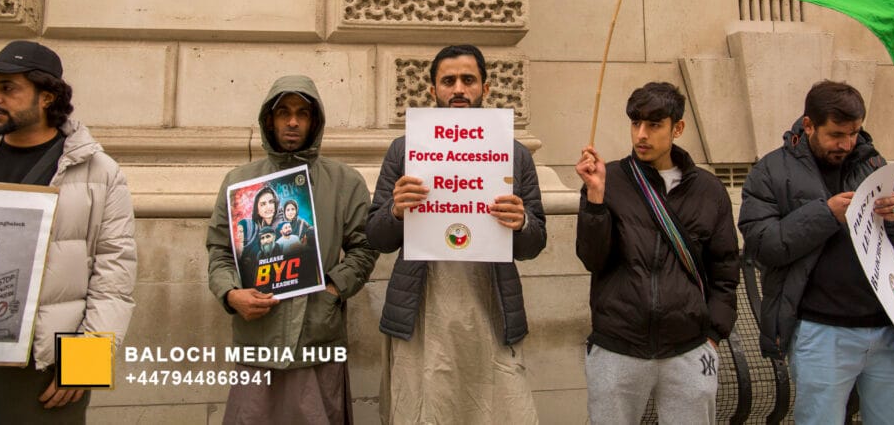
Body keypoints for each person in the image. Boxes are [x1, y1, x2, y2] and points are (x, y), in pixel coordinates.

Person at [366, 44, 547, 424]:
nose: (459, 89)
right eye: (448, 81)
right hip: (423, 307)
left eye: (469, 79)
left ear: (486, 87)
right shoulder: (404, 150)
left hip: (491, 305)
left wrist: (523, 222)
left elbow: (535, 243)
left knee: (499, 408)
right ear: (432, 90)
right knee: (427, 406)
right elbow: (377, 237)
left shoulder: (515, 155)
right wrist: (396, 209)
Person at [737, 80, 894, 425]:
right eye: (836, 134)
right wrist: (827, 214)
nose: (847, 143)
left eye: (854, 133)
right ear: (808, 125)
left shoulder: (872, 162)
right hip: (821, 333)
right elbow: (764, 244)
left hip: (887, 329)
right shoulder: (771, 171)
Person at [0, 40, 137, 421]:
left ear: (47, 96)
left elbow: (114, 275)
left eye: (8, 88)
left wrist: (84, 368)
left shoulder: (100, 171)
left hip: (44, 372)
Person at [206, 75, 378, 424]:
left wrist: (332, 288)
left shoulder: (345, 182)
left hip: (317, 339)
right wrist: (230, 294)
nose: (293, 121)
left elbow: (364, 249)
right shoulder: (240, 182)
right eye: (283, 112)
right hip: (258, 339)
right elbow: (220, 250)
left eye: (302, 112)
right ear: (269, 120)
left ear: (315, 121)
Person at [575, 82, 739, 425]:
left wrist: (713, 336)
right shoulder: (610, 179)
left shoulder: (709, 190)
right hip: (618, 344)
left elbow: (724, 270)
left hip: (689, 348)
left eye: (654, 124)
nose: (641, 135)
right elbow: (592, 259)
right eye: (636, 123)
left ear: (677, 128)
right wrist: (595, 199)